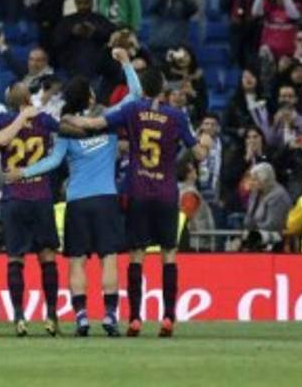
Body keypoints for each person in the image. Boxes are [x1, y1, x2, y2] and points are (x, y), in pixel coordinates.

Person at [63, 65, 212, 337]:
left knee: (137, 257)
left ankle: (134, 318)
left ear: (143, 88)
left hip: (138, 193)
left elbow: (95, 124)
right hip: (167, 194)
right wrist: (207, 139)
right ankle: (168, 317)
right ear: (164, 89)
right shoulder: (177, 116)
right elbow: (200, 155)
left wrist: (65, 118)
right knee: (168, 256)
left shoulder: (131, 111)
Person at [9, 49, 140, 337]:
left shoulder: (66, 129)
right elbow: (137, 94)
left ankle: (81, 317)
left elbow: (53, 162)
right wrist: (126, 63)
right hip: (106, 198)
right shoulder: (108, 119)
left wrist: (24, 172)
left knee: (77, 260)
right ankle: (109, 316)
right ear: (90, 97)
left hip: (77, 201)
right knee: (108, 259)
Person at [0, 83, 63, 337]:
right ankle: (51, 314)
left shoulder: (1, 119)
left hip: (14, 198)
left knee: (15, 260)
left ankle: (19, 315)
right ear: (29, 99)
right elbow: (65, 129)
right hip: (40, 196)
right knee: (47, 257)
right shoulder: (43, 119)